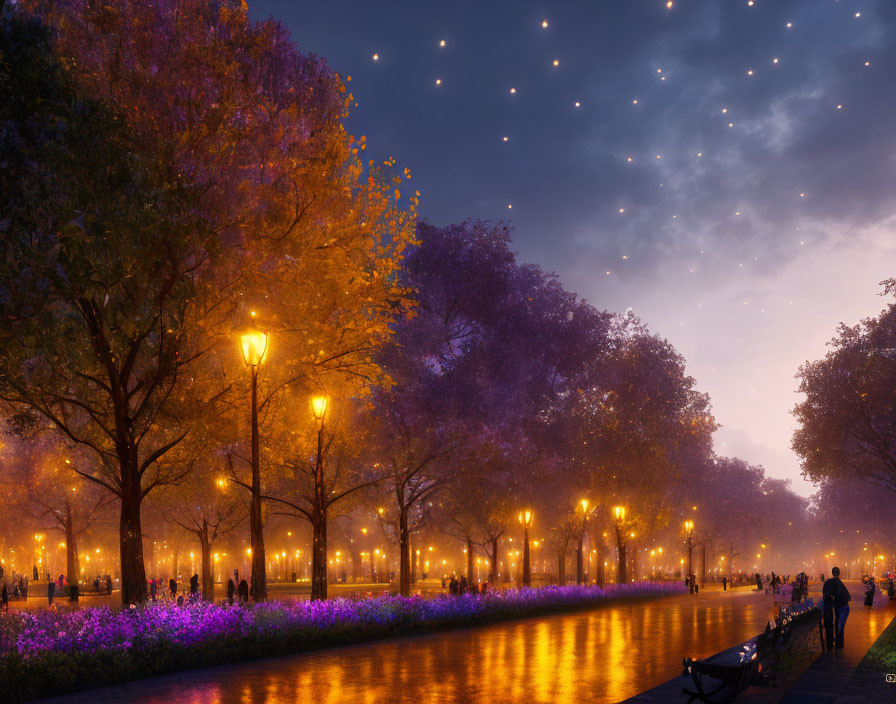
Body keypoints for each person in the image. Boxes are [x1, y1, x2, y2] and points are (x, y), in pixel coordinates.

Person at [822, 566, 851, 650]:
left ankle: (835, 644)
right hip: (841, 607)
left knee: (837, 627)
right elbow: (847, 597)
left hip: (841, 608)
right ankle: (837, 644)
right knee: (838, 627)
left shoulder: (831, 582)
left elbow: (828, 594)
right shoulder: (836, 583)